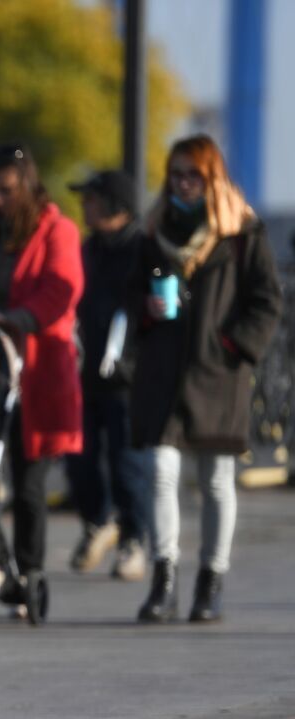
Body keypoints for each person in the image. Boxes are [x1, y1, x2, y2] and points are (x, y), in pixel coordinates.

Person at [129, 135, 283, 624]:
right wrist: (146, 313)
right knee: (160, 469)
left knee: (216, 479)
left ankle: (210, 579)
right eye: (175, 174)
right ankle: (164, 577)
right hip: (164, 369)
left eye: (192, 174)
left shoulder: (242, 232)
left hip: (218, 372)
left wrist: (232, 345)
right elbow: (131, 294)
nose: (181, 183)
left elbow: (266, 300)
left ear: (211, 177)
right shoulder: (155, 231)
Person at [0, 144, 83, 615]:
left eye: (6, 190)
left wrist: (20, 318)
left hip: (37, 369)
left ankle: (29, 572)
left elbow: (63, 288)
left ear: (26, 184)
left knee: (28, 483)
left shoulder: (57, 230)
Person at [64, 170, 151, 582]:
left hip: (128, 377)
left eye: (92, 199)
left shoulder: (141, 248)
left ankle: (134, 538)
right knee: (78, 459)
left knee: (126, 462)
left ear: (116, 205)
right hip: (84, 371)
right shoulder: (89, 249)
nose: (85, 206)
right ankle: (97, 522)